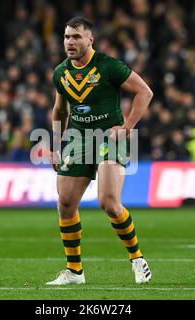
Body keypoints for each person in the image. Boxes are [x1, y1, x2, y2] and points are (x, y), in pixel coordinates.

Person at [47, 17, 153, 285]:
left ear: (90, 39)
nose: (70, 42)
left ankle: (138, 259)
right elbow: (60, 109)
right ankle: (74, 271)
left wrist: (127, 127)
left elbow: (145, 92)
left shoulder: (108, 66)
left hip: (109, 135)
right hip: (79, 138)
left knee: (109, 203)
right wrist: (56, 145)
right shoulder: (61, 72)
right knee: (66, 203)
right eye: (67, 37)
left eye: (76, 37)